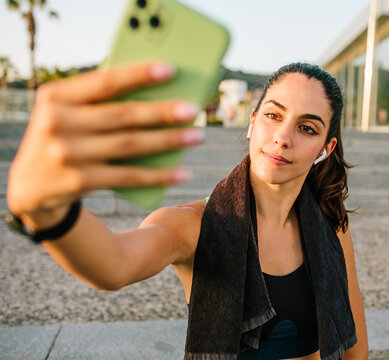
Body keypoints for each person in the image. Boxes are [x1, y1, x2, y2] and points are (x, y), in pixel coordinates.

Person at [6, 61, 368, 359]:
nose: (283, 137)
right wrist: (49, 212)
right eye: (274, 116)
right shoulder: (195, 224)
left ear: (326, 147)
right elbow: (114, 265)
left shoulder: (331, 224)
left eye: (306, 127)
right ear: (252, 120)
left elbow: (353, 345)